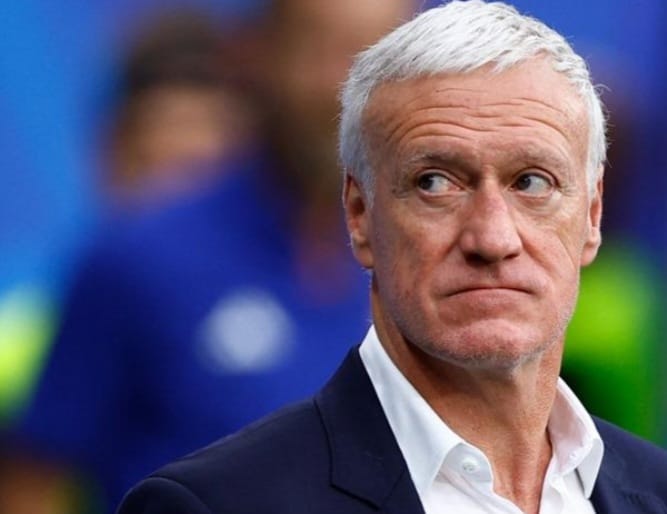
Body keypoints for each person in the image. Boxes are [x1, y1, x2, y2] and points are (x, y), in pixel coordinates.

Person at [117, 1, 667, 513]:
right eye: (435, 183)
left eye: (531, 182)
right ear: (359, 214)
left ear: (592, 214)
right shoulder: (214, 504)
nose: (493, 237)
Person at [0, 1, 416, 513]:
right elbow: (31, 488)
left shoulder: (433, 258)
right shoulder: (138, 257)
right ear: (254, 55)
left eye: (376, 56)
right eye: (320, 50)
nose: (346, 86)